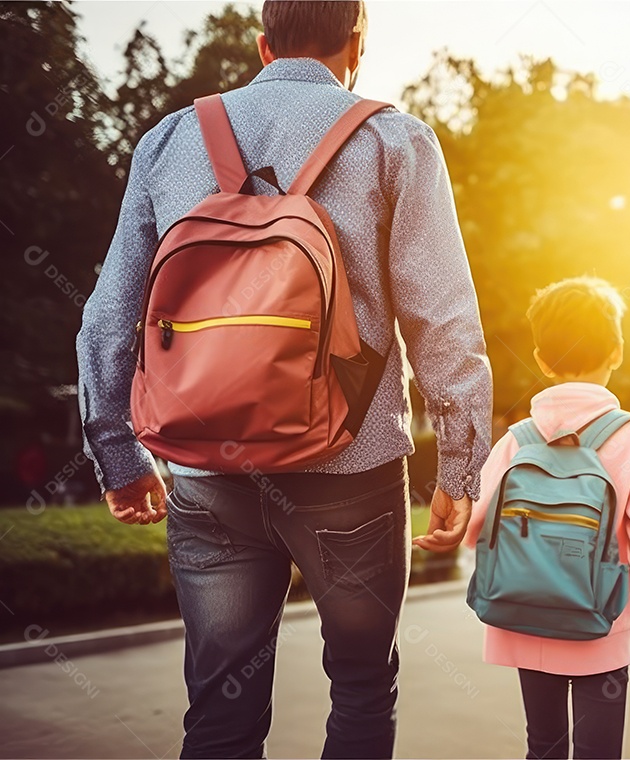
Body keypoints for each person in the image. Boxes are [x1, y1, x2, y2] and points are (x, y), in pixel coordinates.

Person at [75, 2, 492, 757]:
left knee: (219, 710)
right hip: (351, 471)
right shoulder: (396, 141)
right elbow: (443, 319)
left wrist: (117, 450)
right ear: (356, 46)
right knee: (362, 688)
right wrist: (461, 466)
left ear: (263, 45)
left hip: (208, 472)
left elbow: (109, 314)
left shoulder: (168, 141)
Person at [464, 276, 630, 760]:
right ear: (617, 351)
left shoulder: (517, 440)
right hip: (597, 626)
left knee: (543, 747)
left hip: (522, 617)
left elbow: (474, 528)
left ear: (541, 360)